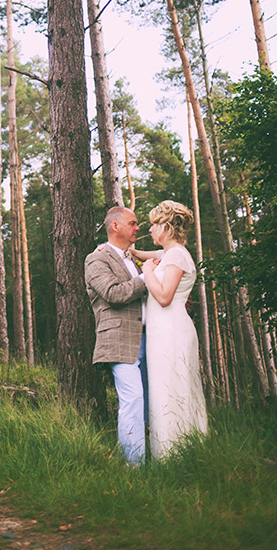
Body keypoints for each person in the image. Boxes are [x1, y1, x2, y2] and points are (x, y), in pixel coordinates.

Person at [129, 199, 208, 459]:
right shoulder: (169, 253)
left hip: (171, 330)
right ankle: (174, 450)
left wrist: (146, 271)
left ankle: (175, 454)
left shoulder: (175, 255)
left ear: (165, 226)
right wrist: (135, 253)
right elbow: (147, 255)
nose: (149, 230)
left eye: (153, 225)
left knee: (172, 386)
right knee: (164, 386)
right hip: (161, 331)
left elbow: (164, 296)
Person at [85, 206, 148, 465]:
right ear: (116, 226)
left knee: (150, 401)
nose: (138, 227)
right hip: (119, 339)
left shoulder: (132, 259)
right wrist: (148, 278)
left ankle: (158, 457)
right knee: (132, 399)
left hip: (150, 337)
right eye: (133, 223)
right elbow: (114, 294)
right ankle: (135, 467)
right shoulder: (96, 259)